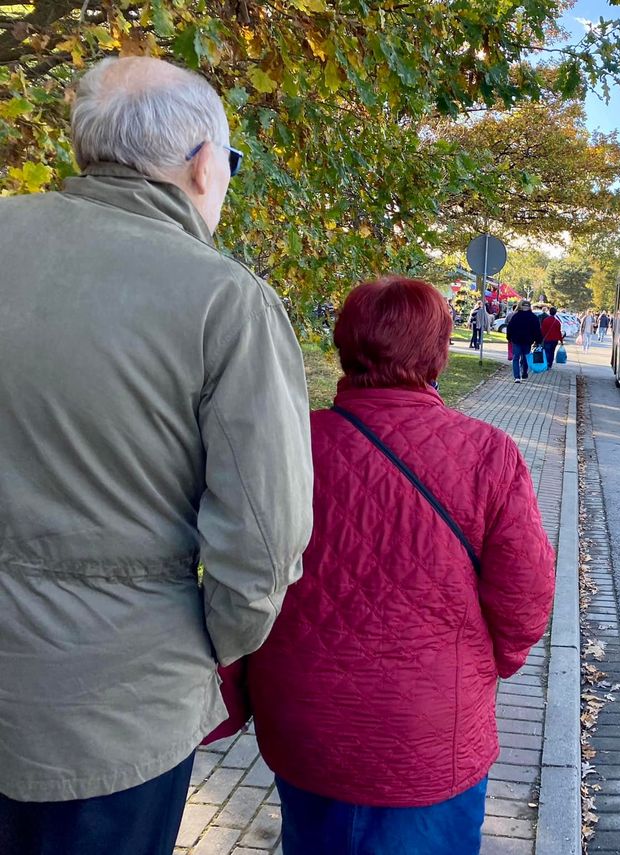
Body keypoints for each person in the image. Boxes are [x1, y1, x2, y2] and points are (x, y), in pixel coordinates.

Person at [0, 56, 313, 853]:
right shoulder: (226, 301)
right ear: (204, 164)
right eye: (230, 162)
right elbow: (264, 543)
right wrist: (203, 647)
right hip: (114, 717)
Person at [248, 277, 555, 855]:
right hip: (431, 729)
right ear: (438, 353)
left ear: (344, 344)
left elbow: (242, 573)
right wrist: (488, 665)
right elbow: (526, 597)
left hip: (304, 718)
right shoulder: (487, 453)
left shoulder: (286, 445)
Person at [506, 299, 543, 382]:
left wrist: (509, 337)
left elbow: (510, 327)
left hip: (516, 340)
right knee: (525, 357)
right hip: (528, 341)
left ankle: (517, 376)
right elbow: (537, 330)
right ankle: (524, 373)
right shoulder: (533, 317)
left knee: (516, 357)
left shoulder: (516, 316)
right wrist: (538, 341)